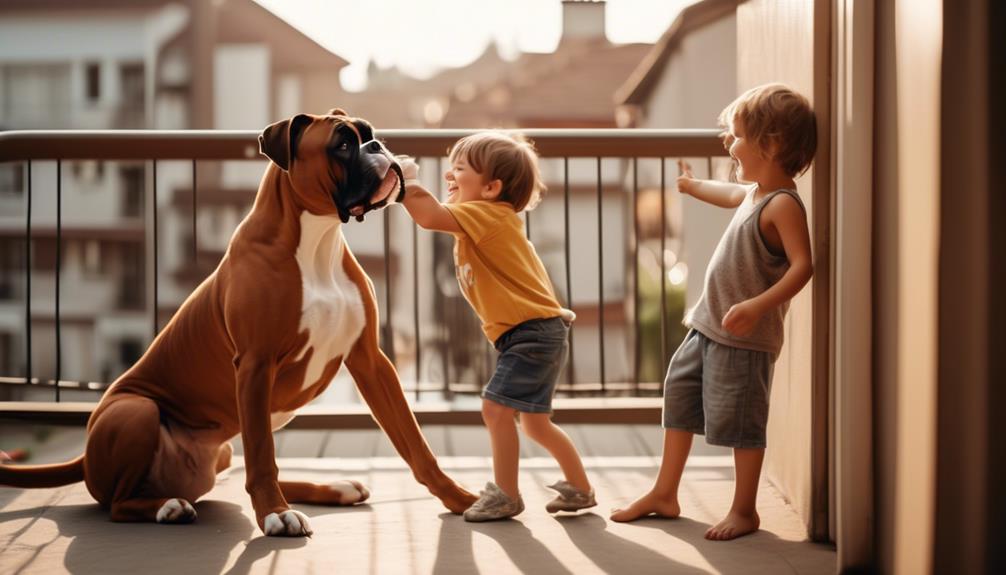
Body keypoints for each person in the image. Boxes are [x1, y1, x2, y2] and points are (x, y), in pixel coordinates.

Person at [610, 83, 817, 541]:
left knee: (742, 422)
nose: (729, 142)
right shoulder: (755, 193)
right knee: (679, 398)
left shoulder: (783, 204)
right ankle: (665, 492)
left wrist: (757, 305)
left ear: (772, 143)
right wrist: (690, 186)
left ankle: (744, 509)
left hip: (744, 336)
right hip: (707, 325)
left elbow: (804, 266)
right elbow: (726, 192)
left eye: (738, 134)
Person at [396, 131, 594, 522]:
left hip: (531, 333)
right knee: (536, 425)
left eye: (460, 168)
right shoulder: (483, 219)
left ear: (491, 188)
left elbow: (428, 215)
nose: (450, 174)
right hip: (535, 332)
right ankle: (580, 488)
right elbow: (438, 217)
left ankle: (506, 494)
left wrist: (405, 181)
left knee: (495, 410)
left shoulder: (486, 215)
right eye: (451, 165)